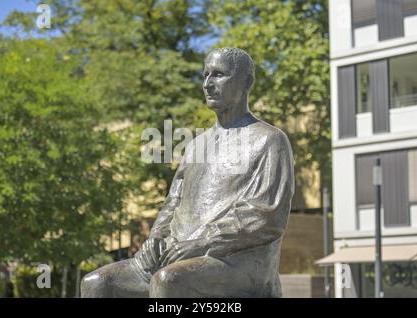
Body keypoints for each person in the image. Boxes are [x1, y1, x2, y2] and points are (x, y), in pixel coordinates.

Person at [80, 47, 294, 298]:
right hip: (176, 253)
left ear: (246, 82)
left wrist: (200, 242)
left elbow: (266, 217)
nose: (207, 84)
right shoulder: (195, 145)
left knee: (168, 281)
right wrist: (156, 237)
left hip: (236, 261)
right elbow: (173, 203)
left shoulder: (269, 140)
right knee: (97, 283)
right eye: (205, 75)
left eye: (218, 75)